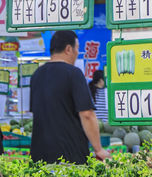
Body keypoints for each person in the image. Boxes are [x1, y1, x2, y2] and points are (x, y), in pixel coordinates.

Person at [29, 30, 110, 164]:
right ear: (68, 49)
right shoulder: (73, 73)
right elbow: (87, 114)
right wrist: (99, 149)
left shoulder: (36, 75)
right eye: (77, 48)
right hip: (69, 154)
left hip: (39, 155)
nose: (78, 52)